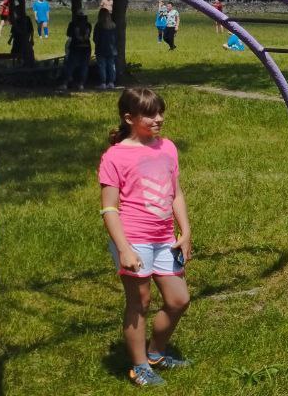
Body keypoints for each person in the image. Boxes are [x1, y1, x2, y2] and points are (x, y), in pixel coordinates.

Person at [98, 88, 194, 386]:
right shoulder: (115, 156)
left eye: (160, 112)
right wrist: (124, 248)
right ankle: (139, 366)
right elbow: (109, 208)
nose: (159, 119)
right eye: (150, 115)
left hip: (165, 238)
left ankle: (156, 353)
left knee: (179, 300)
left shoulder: (168, 148)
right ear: (129, 118)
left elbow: (175, 193)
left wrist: (186, 231)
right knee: (140, 302)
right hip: (133, 239)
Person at [62, 8, 93, 90]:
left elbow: (68, 34)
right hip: (86, 47)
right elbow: (88, 35)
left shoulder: (72, 24)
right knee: (84, 66)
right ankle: (81, 84)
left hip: (75, 46)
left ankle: (65, 83)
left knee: (70, 65)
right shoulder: (88, 25)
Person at [94, 7, 118, 89]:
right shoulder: (113, 25)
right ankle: (111, 82)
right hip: (112, 50)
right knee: (111, 66)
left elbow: (95, 38)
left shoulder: (99, 25)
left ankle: (103, 83)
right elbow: (116, 38)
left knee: (102, 66)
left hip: (101, 49)